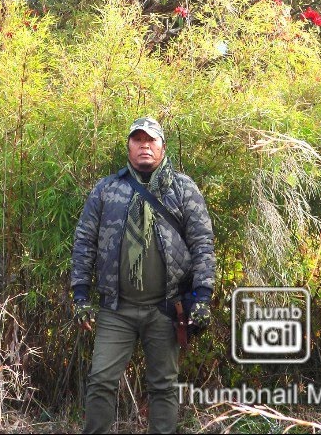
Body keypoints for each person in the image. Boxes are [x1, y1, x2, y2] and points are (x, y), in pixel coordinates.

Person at [70, 116, 216, 434]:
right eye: (138, 140)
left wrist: (203, 296)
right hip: (116, 308)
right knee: (101, 381)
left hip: (165, 308)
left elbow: (203, 243)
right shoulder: (107, 189)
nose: (144, 145)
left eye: (151, 140)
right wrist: (80, 293)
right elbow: (84, 242)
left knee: (163, 386)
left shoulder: (182, 188)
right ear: (129, 147)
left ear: (162, 146)